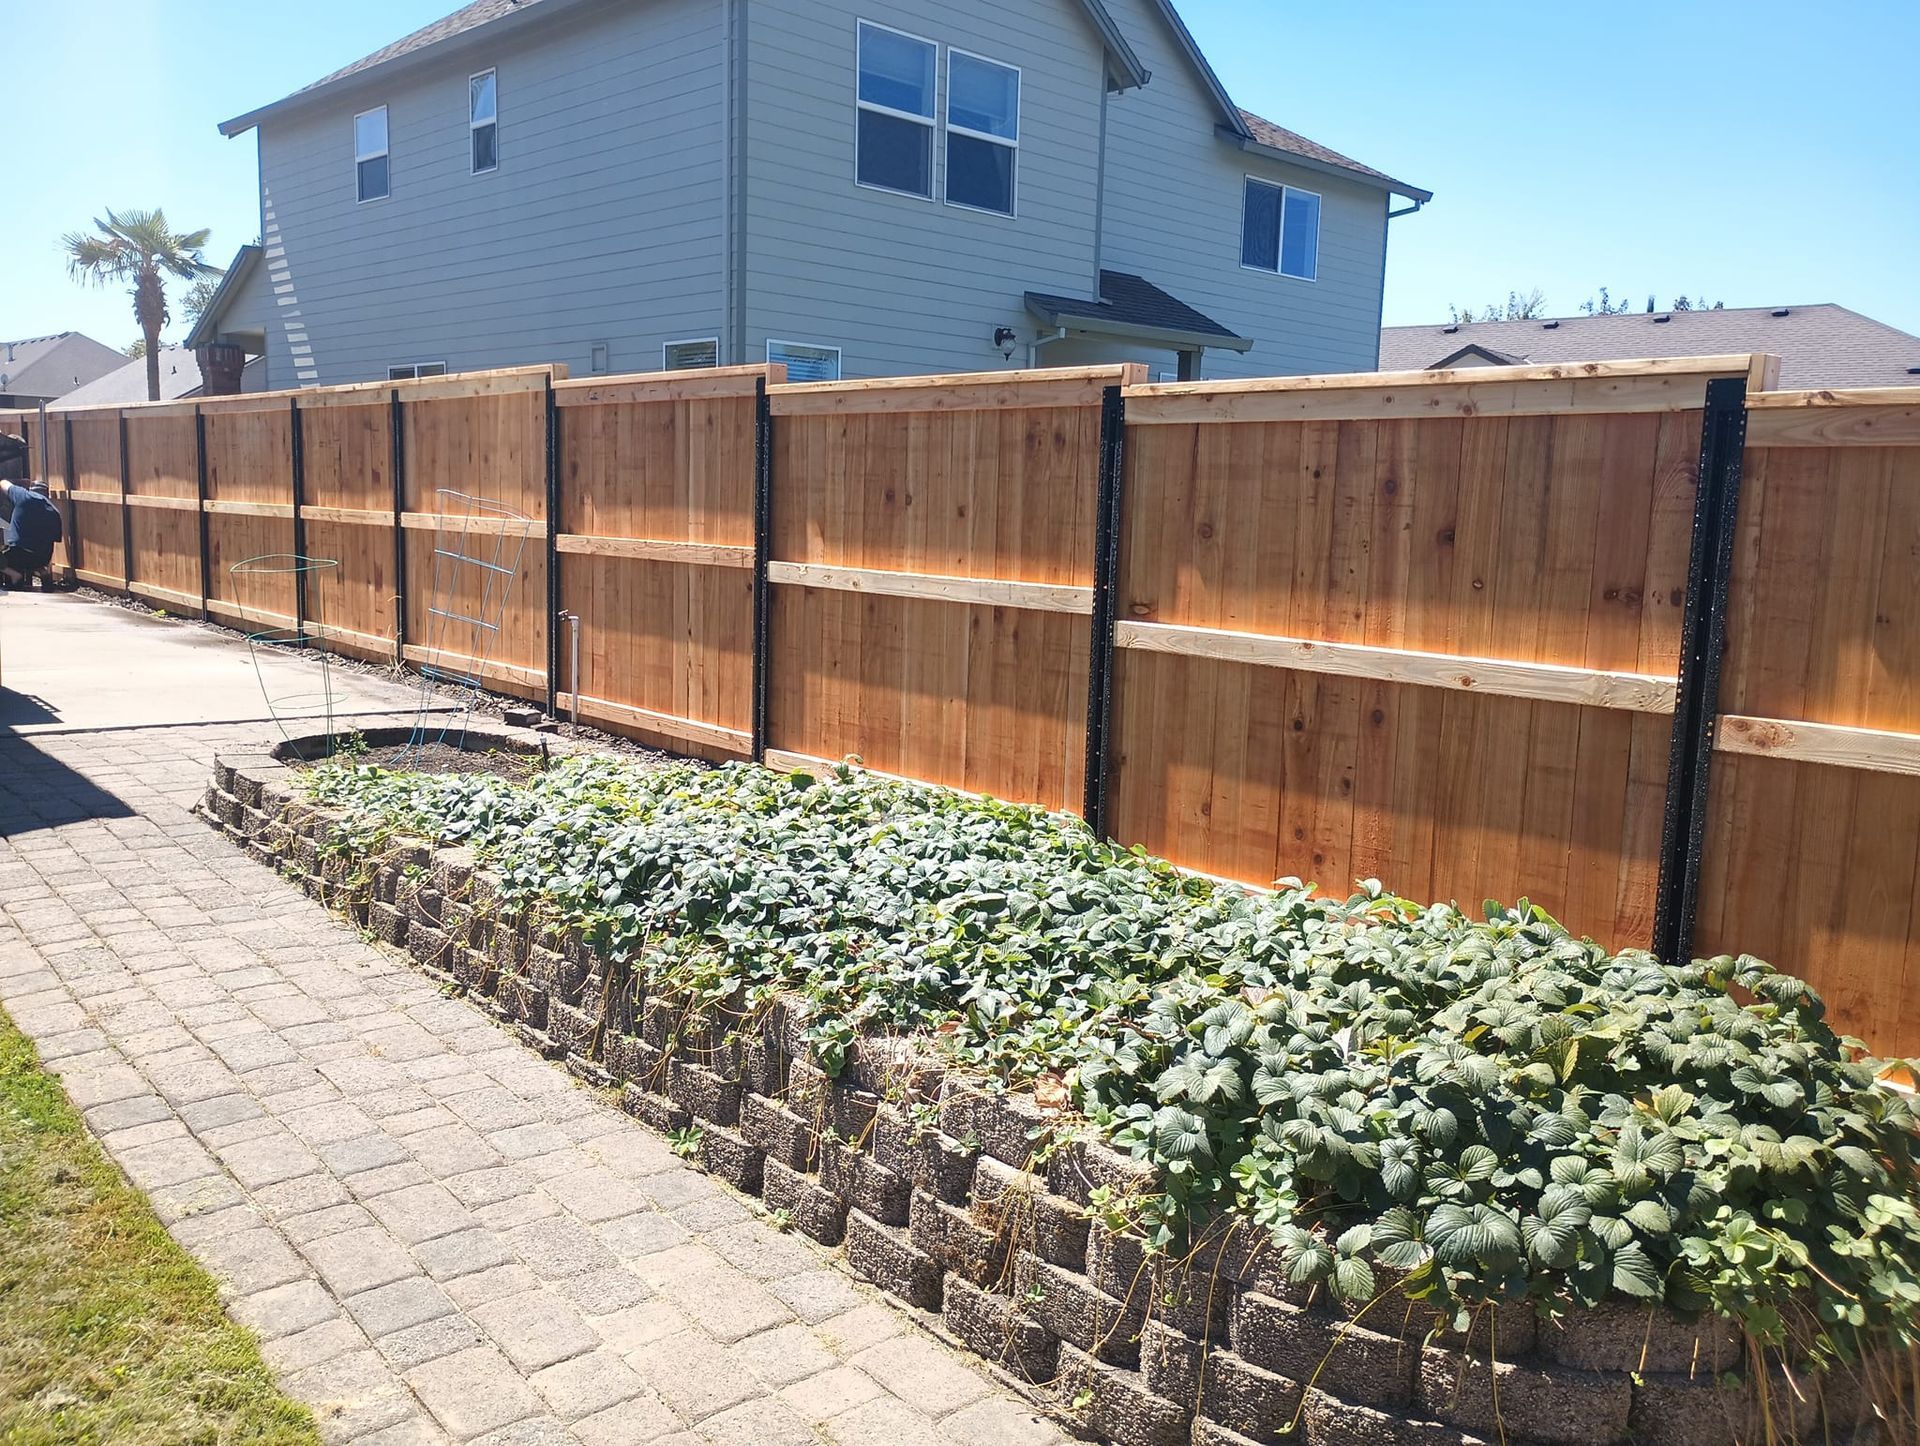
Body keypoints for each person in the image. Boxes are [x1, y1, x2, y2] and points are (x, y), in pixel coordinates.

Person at [0, 433, 65, 590]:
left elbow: (3, 483)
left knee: (9, 553)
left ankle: (15, 576)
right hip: (42, 559)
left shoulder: (23, 496)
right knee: (39, 549)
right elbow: (53, 542)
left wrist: (17, 482)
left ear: (30, 489)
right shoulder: (54, 511)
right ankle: (45, 574)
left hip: (18, 557)